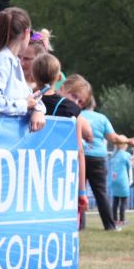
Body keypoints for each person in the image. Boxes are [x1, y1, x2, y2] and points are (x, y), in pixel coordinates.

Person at [65, 75, 134, 231]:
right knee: (101, 193)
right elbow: (113, 138)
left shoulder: (76, 113)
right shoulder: (102, 118)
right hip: (98, 158)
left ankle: (79, 225)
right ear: (94, 105)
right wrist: (128, 141)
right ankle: (109, 225)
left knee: (79, 190)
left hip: (80, 155)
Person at [32, 53, 91, 223]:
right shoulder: (70, 109)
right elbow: (79, 151)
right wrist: (81, 192)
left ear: (33, 74)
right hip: (58, 173)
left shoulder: (25, 101)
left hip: (30, 168)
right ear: (59, 78)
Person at [0, 7, 46, 131]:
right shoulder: (3, 58)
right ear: (26, 33)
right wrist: (25, 104)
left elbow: (30, 98)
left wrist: (38, 109)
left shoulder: (10, 59)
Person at [110, 141, 132, 230]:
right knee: (123, 201)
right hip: (123, 180)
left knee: (115, 201)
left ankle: (114, 219)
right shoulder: (126, 154)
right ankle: (122, 220)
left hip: (114, 179)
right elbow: (128, 166)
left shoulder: (114, 154)